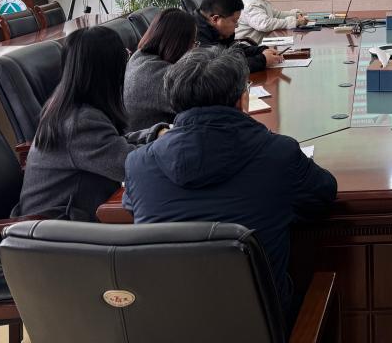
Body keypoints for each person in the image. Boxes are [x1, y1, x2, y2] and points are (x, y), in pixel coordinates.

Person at [124, 46, 337, 314]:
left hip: (166, 323)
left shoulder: (139, 164)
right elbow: (323, 195)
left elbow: (133, 208)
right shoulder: (278, 155)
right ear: (243, 100)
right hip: (261, 324)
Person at [13, 27, 168, 221]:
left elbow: (112, 143)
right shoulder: (79, 122)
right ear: (107, 69)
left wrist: (156, 134)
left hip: (66, 221)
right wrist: (175, 147)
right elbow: (131, 166)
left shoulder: (70, 110)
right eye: (124, 56)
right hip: (57, 231)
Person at [123, 8, 196, 131]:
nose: (194, 49)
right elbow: (203, 102)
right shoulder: (158, 76)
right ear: (179, 44)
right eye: (193, 43)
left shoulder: (139, 56)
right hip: (149, 140)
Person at [193, 0, 282, 71]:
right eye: (234, 21)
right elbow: (220, 69)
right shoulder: (195, 37)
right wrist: (262, 60)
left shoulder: (213, 29)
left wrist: (262, 50)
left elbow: (234, 49)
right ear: (215, 19)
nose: (237, 26)